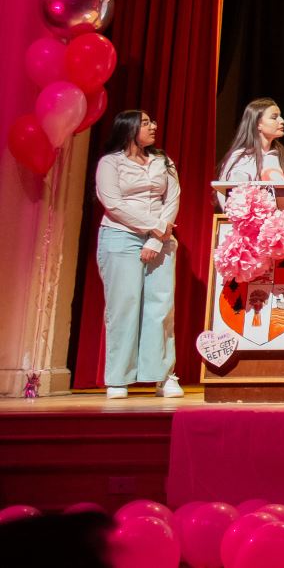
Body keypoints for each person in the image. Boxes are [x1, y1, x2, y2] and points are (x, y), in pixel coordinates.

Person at [93, 109, 183, 398]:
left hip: (161, 240)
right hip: (120, 237)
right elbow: (113, 203)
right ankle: (119, 377)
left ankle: (163, 375)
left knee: (161, 306)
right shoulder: (110, 163)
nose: (153, 126)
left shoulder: (163, 162)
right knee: (124, 305)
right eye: (145, 123)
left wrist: (157, 238)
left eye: (152, 122)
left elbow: (173, 199)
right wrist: (154, 227)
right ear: (129, 129)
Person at [216, 98, 284, 184]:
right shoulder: (241, 158)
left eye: (280, 116)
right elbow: (228, 192)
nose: (282, 121)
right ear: (258, 124)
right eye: (274, 117)